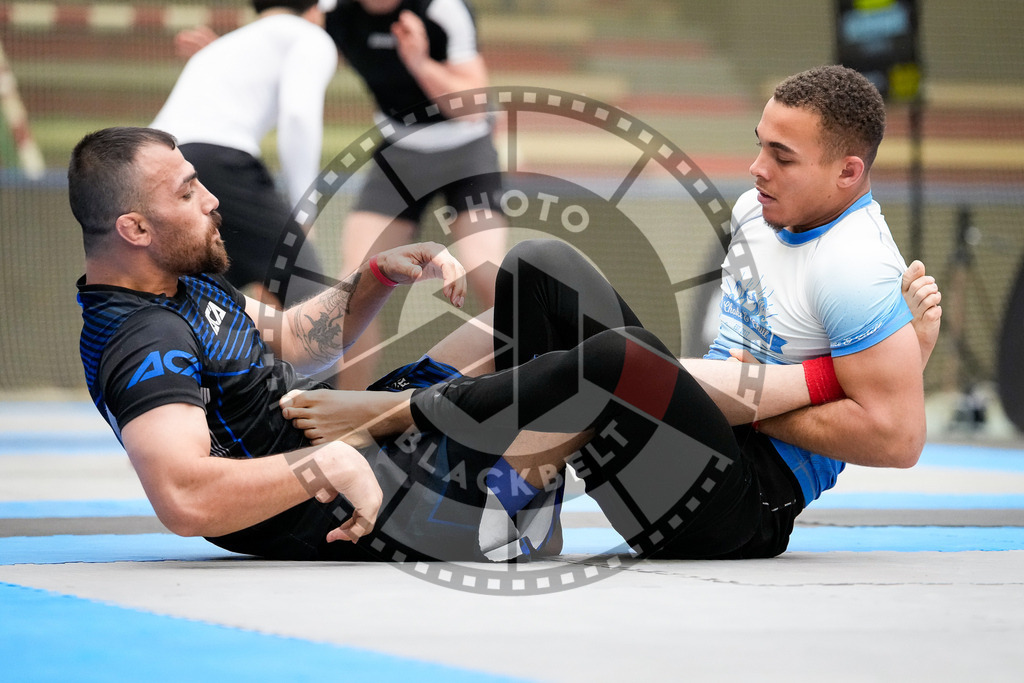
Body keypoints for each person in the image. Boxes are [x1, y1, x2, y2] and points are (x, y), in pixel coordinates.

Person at [69, 126, 848, 562]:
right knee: (606, 368)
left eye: (198, 180)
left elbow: (296, 344)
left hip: (365, 443)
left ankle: (538, 486)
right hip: (366, 494)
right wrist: (333, 460)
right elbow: (183, 494)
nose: (210, 200)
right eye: (186, 193)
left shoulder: (184, 282)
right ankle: (789, 404)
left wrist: (374, 278)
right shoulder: (142, 338)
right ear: (133, 229)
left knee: (538, 271)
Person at [279, 65, 945, 560]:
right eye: (759, 143)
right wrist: (787, 381)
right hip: (705, 429)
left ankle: (401, 413)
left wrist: (747, 397)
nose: (755, 168)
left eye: (782, 156)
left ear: (849, 174)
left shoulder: (857, 266)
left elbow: (897, 438)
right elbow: (735, 380)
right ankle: (510, 494)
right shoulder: (755, 210)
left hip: (739, 508)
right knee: (540, 266)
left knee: (617, 362)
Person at [176, 0, 510, 389]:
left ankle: (516, 387)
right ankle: (348, 411)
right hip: (399, 152)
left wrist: (419, 62)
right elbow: (290, 51)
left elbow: (472, 108)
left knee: (487, 271)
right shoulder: (334, 13)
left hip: (465, 151)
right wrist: (233, 66)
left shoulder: (442, 10)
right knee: (356, 284)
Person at [153, 0, 338, 307]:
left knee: (205, 303)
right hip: (216, 165)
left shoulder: (224, 46)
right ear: (315, 10)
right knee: (315, 304)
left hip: (156, 163)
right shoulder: (310, 36)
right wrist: (304, 211)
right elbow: (298, 116)